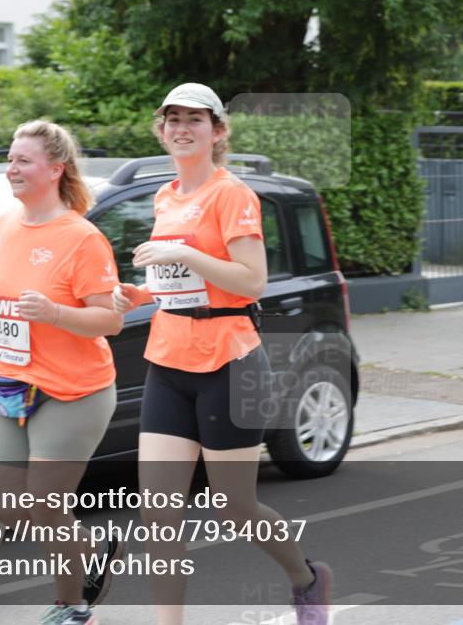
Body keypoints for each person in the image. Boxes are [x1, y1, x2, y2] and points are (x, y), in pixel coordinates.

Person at [112, 83, 332, 625]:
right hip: (168, 360)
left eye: (195, 119)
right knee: (158, 515)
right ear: (161, 128)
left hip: (229, 363)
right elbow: (181, 284)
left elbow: (252, 282)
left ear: (217, 131)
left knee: (235, 509)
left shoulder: (232, 194)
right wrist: (141, 294)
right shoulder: (166, 196)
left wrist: (184, 251)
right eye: (173, 119)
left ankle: (307, 578)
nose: (182, 128)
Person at [0, 120, 126, 625]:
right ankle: (90, 545)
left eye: (23, 161)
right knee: (11, 510)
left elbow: (111, 319)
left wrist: (55, 314)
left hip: (74, 391)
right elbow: (3, 300)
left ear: (55, 169)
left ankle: (72, 606)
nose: (11, 168)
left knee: (47, 505)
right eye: (10, 159)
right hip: (11, 386)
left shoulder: (81, 237)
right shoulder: (5, 225)